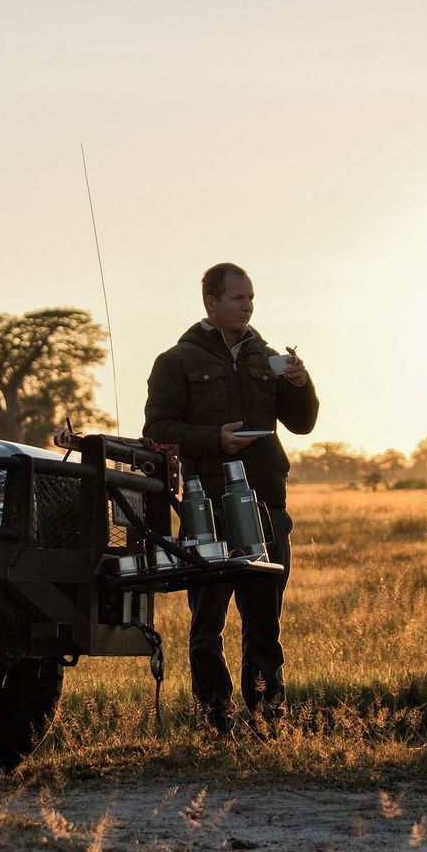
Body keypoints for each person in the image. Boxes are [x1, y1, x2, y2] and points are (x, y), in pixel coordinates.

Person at [143, 262, 319, 732]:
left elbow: (303, 423)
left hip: (266, 506)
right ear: (211, 303)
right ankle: (214, 719)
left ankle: (266, 721)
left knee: (265, 623)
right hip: (207, 509)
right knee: (206, 626)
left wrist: (302, 385)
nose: (247, 306)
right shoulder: (176, 362)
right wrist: (213, 440)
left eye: (251, 298)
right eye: (238, 298)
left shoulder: (267, 360)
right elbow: (157, 431)